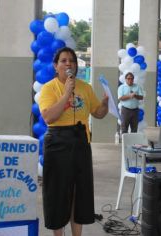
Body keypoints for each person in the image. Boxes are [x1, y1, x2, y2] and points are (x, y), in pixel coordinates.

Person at [39, 47, 109, 236]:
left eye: (72, 60)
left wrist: (105, 104)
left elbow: (98, 113)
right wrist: (66, 94)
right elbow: (49, 117)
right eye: (63, 60)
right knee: (58, 192)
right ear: (56, 66)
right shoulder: (49, 88)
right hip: (58, 143)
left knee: (80, 193)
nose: (69, 63)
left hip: (81, 142)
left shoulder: (85, 87)